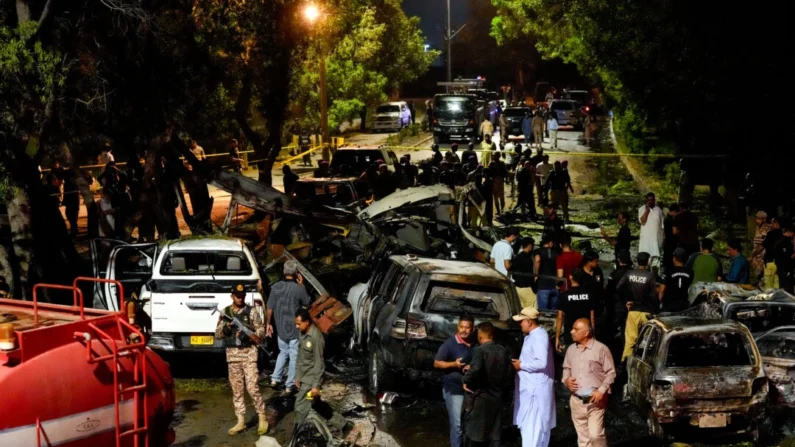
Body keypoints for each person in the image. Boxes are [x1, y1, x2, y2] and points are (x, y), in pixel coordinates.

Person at [214, 284, 268, 436]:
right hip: (233, 356)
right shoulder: (226, 312)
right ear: (232, 295)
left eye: (242, 295)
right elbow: (217, 334)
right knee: (237, 390)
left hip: (249, 354)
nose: (240, 298)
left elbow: (261, 331)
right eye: (237, 295)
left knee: (252, 387)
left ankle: (262, 417)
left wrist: (248, 334)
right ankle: (240, 420)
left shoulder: (251, 312)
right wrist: (225, 329)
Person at [293, 308, 352, 433]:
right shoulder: (302, 333)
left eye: (299, 324)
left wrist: (316, 386)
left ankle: (295, 434)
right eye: (296, 324)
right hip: (303, 376)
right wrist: (297, 375)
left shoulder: (316, 338)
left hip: (311, 379)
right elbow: (300, 357)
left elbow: (319, 363)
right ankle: (343, 424)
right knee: (315, 404)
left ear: (307, 322)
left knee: (300, 406)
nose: (296, 326)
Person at [562, 319, 616, 447]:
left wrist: (601, 390)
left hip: (595, 401)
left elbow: (611, 373)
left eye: (576, 329)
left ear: (586, 333)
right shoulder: (571, 349)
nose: (571, 332)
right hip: (576, 400)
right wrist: (566, 380)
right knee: (583, 439)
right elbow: (566, 368)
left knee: (595, 435)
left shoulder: (601, 349)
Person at [462, 322, 513, 447]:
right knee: (494, 435)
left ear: (480, 336)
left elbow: (475, 370)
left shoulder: (479, 350)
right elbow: (509, 373)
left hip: (482, 398)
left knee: (475, 435)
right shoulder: (503, 350)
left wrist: (465, 380)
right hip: (498, 398)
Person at [265, 261, 311, 395]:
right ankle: (289, 385)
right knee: (294, 356)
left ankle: (275, 379)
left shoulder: (276, 287)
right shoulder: (298, 288)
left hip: (280, 327)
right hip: (295, 327)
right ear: (296, 273)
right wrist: (302, 284)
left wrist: (268, 324)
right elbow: (307, 302)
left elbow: (269, 307)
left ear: (284, 272)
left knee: (282, 352)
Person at [511, 307, 556, 447]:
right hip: (529, 389)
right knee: (529, 429)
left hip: (536, 392)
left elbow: (541, 362)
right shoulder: (532, 335)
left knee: (534, 429)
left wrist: (521, 365)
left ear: (529, 322)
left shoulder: (539, 336)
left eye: (521, 322)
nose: (520, 324)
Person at [435, 315, 475, 447]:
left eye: (467, 327)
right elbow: (437, 363)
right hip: (454, 389)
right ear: (458, 327)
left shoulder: (476, 344)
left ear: (472, 329)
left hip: (471, 389)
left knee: (470, 423)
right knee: (457, 424)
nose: (464, 330)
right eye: (461, 327)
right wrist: (453, 364)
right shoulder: (450, 344)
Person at [617, 252, 658, 362]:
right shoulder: (650, 276)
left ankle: (625, 364)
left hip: (633, 311)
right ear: (648, 262)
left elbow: (619, 288)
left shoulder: (629, 274)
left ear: (636, 261)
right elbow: (654, 296)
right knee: (646, 342)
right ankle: (643, 363)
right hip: (646, 312)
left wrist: (626, 301)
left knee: (630, 341)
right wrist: (655, 310)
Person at [556, 268, 597, 353]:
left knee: (570, 360)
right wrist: (593, 334)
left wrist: (557, 337)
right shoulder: (589, 295)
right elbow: (592, 317)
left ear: (570, 277)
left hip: (570, 333)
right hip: (585, 333)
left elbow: (560, 317)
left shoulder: (564, 295)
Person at [604, 251, 632, 339]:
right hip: (631, 304)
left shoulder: (614, 274)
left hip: (617, 304)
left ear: (619, 260)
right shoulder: (633, 273)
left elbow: (609, 291)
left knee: (613, 328)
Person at [658, 248, 693, 312]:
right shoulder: (690, 272)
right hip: (683, 306)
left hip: (669, 305)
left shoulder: (668, 271)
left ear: (674, 259)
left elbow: (662, 290)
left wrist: (657, 303)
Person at [638, 193, 664, 268]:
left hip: (656, 241)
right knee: (644, 261)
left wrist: (663, 238)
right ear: (646, 200)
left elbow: (662, 226)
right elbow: (642, 221)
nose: (650, 202)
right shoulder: (641, 209)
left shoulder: (658, 210)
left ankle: (655, 277)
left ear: (654, 200)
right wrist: (647, 210)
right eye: (648, 200)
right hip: (645, 242)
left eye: (652, 200)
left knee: (655, 261)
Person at [534, 236, 560, 311]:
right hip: (555, 284)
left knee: (543, 312)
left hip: (543, 284)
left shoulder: (538, 251)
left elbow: (537, 260)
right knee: (554, 311)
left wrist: (536, 274)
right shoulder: (557, 252)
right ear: (550, 243)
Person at [513, 237, 537, 309]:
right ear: (530, 246)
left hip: (517, 288)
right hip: (527, 288)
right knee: (532, 310)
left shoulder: (517, 257)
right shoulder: (529, 259)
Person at [751, 211, 772, 286]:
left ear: (764, 219)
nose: (757, 220)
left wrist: (754, 254)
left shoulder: (767, 228)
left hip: (762, 255)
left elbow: (764, 244)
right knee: (756, 273)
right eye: (757, 218)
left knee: (762, 274)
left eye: (759, 218)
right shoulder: (757, 228)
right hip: (756, 255)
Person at [773, 225, 795, 293]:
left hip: (782, 268)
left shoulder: (779, 241)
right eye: (792, 234)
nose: (792, 236)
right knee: (786, 289)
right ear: (789, 232)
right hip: (785, 269)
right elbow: (787, 257)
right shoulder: (784, 242)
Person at [762, 215, 781, 288]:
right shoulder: (785, 234)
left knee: (769, 286)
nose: (771, 225)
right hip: (780, 264)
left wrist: (753, 255)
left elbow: (762, 246)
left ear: (776, 223)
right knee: (777, 285)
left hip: (770, 263)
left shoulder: (771, 234)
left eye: (772, 223)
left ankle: (769, 299)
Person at [662, 203, 679, 273]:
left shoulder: (667, 218)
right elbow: (674, 232)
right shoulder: (670, 219)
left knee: (667, 261)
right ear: (674, 211)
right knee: (669, 261)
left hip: (668, 242)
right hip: (671, 243)